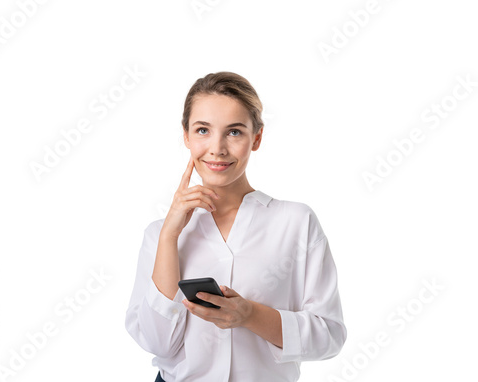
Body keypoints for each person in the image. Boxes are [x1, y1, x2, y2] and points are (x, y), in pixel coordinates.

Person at [125, 71, 347, 382]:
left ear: (256, 138)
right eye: (203, 130)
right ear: (186, 136)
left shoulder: (296, 222)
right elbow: (156, 344)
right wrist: (169, 237)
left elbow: (330, 336)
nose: (217, 148)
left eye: (234, 132)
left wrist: (250, 316)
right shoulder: (159, 234)